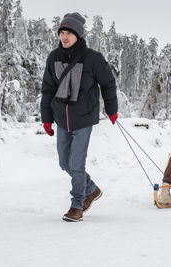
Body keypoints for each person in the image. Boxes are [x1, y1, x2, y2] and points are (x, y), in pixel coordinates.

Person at [40, 12, 118, 222]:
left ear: (78, 35)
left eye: (69, 33)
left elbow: (108, 84)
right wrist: (46, 117)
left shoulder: (93, 58)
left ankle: (77, 205)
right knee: (64, 163)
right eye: (62, 32)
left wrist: (112, 109)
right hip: (61, 118)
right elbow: (48, 89)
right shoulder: (53, 57)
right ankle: (91, 189)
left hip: (83, 117)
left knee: (76, 164)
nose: (64, 37)